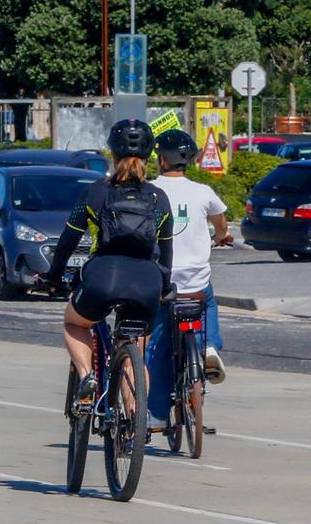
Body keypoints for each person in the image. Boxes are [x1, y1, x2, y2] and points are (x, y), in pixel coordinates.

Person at [46, 119, 175, 416]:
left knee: (75, 323)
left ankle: (87, 377)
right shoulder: (160, 198)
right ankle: (134, 423)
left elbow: (68, 240)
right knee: (134, 353)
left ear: (112, 155)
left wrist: (53, 275)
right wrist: (165, 288)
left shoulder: (95, 193)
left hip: (103, 275)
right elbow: (167, 253)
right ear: (150, 156)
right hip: (147, 280)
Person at [146, 130, 232, 433]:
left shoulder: (149, 190)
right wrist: (221, 236)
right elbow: (221, 222)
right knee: (207, 303)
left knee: (157, 346)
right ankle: (208, 347)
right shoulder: (202, 191)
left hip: (162, 283)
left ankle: (156, 415)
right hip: (195, 283)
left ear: (160, 159)